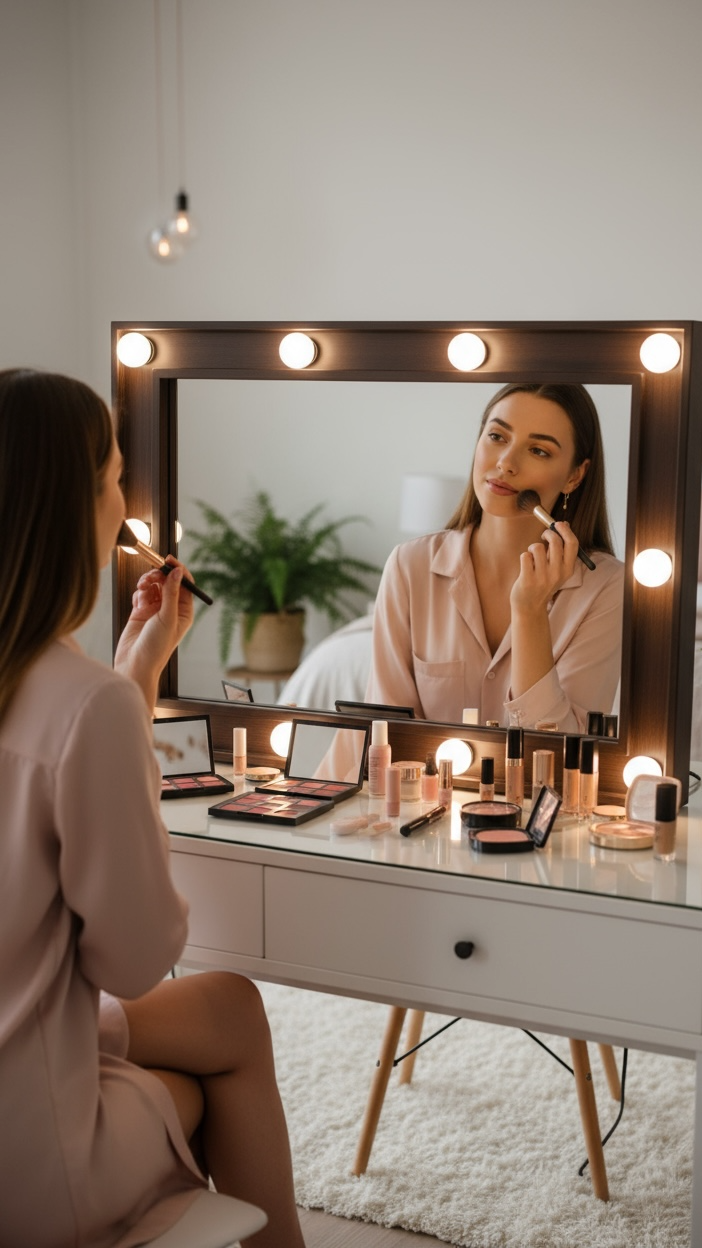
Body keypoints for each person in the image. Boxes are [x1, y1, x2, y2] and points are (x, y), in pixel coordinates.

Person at [0, 369, 305, 1248]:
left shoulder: (84, 699)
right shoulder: (82, 704)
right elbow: (133, 959)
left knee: (227, 1007)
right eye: (114, 476)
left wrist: (137, 664)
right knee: (211, 1079)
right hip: (29, 1161)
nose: (121, 499)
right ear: (79, 504)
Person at [365, 383, 624, 732]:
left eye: (538, 450)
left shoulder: (607, 588)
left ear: (575, 476)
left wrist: (530, 612)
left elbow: (562, 757)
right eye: (497, 437)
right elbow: (386, 734)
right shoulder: (409, 566)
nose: (505, 463)